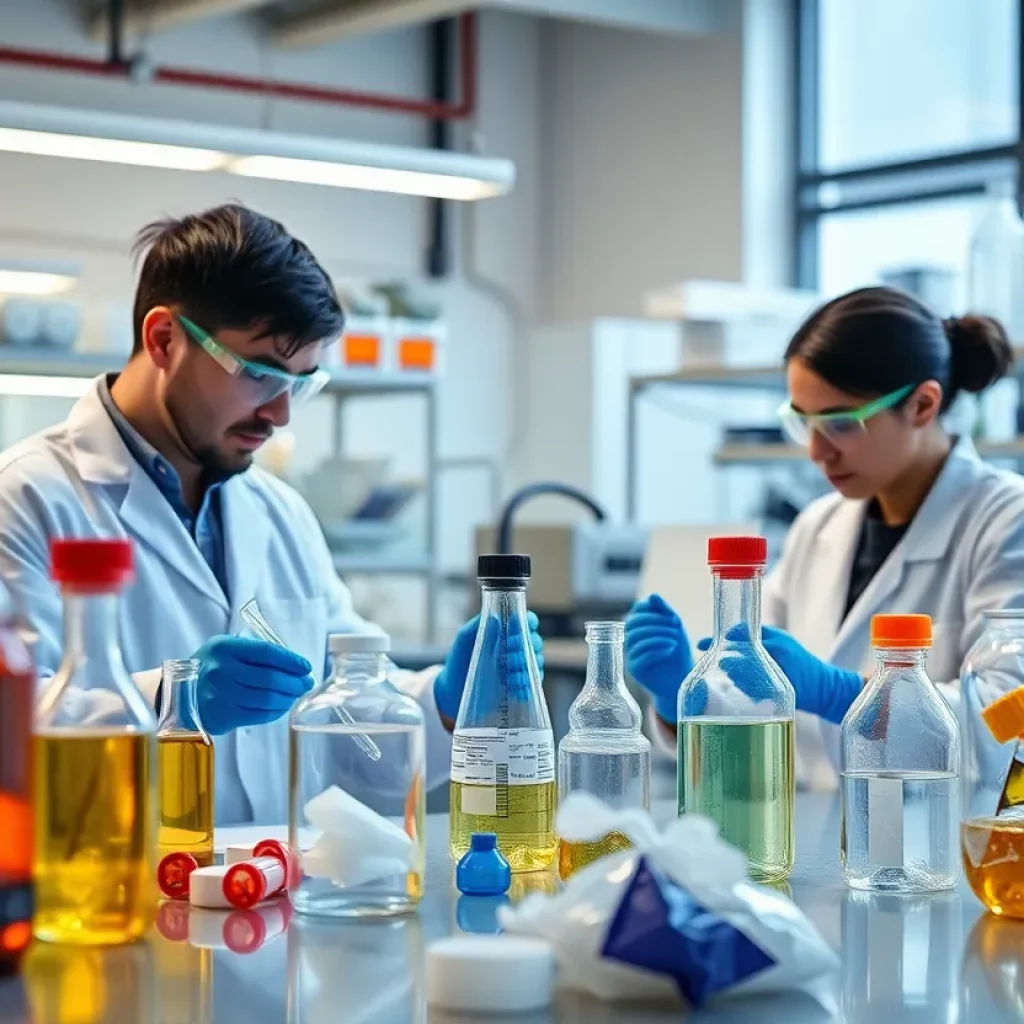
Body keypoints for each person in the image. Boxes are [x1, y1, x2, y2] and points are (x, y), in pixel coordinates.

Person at [0, 204, 542, 824]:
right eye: (260, 375)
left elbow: (347, 729)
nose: (281, 414)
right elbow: (13, 740)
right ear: (164, 339)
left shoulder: (279, 513)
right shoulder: (27, 499)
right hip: (109, 894)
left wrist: (447, 702)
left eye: (302, 384)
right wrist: (170, 701)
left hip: (262, 898)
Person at [626, 286, 1024, 789]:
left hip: (949, 848)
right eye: (803, 422)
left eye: (840, 423)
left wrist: (845, 695)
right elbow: (758, 709)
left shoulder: (1007, 520)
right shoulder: (819, 525)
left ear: (923, 405)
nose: (816, 452)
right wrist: (684, 699)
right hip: (822, 843)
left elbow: (1009, 723)